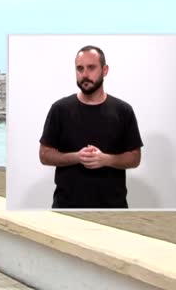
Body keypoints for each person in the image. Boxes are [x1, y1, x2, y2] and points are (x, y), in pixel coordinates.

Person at [38, 45, 143, 209]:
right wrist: (77, 157)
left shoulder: (123, 111)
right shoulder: (60, 109)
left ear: (105, 70)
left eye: (91, 68)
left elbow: (135, 158)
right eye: (80, 69)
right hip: (66, 206)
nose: (85, 75)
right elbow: (44, 155)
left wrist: (106, 159)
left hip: (113, 207)